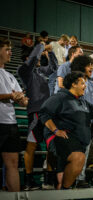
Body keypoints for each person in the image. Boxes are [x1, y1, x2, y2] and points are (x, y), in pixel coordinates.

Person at [39, 71, 93, 189]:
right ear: (74, 84)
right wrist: (55, 130)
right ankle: (65, 191)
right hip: (62, 138)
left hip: (78, 142)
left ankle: (63, 190)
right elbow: (44, 113)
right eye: (82, 83)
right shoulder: (59, 97)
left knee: (62, 176)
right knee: (78, 158)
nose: (85, 86)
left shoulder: (83, 102)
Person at [18, 42, 58, 190]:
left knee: (51, 146)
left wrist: (51, 52)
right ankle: (28, 180)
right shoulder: (24, 70)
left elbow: (54, 68)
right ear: (29, 58)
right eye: (37, 57)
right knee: (32, 145)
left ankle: (48, 178)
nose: (40, 59)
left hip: (47, 113)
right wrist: (41, 46)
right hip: (35, 112)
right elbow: (34, 57)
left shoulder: (40, 71)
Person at [0, 38, 28, 192]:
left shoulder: (10, 76)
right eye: (6, 49)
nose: (10, 52)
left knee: (13, 163)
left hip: (10, 124)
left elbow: (22, 101)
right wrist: (10, 96)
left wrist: (22, 99)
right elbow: (9, 95)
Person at [70, 55, 93, 188]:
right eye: (88, 65)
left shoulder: (92, 85)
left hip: (89, 123)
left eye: (92, 65)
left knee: (86, 153)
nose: (91, 67)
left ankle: (80, 178)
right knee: (76, 153)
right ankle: (71, 179)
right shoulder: (73, 82)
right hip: (76, 123)